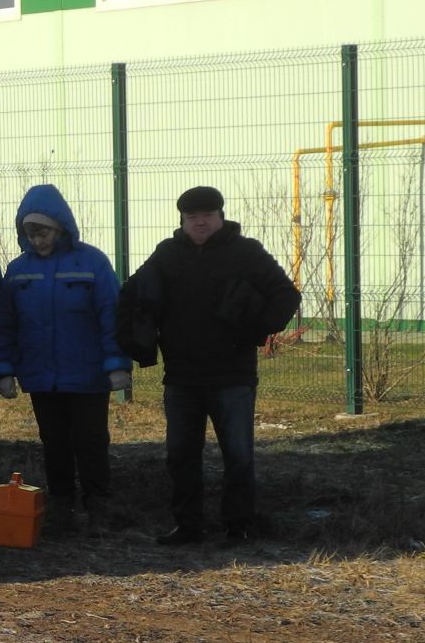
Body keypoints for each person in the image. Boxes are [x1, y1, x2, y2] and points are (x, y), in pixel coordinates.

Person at [120, 184, 302, 547]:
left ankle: (239, 526)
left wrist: (255, 329)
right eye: (192, 217)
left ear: (221, 216)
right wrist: (139, 339)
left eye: (206, 215)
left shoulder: (246, 253)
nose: (199, 223)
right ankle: (188, 525)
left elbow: (287, 294)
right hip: (181, 376)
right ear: (182, 221)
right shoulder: (167, 254)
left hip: (232, 376)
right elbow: (132, 294)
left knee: (238, 454)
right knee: (181, 455)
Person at [0, 184, 129, 529]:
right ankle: (61, 508)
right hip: (42, 376)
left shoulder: (92, 262)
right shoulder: (18, 271)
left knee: (91, 441)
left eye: (43, 232)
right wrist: (3, 368)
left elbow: (111, 316)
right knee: (54, 443)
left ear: (61, 226)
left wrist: (116, 365)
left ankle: (98, 509)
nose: (37, 240)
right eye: (30, 233)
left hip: (88, 376)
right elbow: (6, 324)